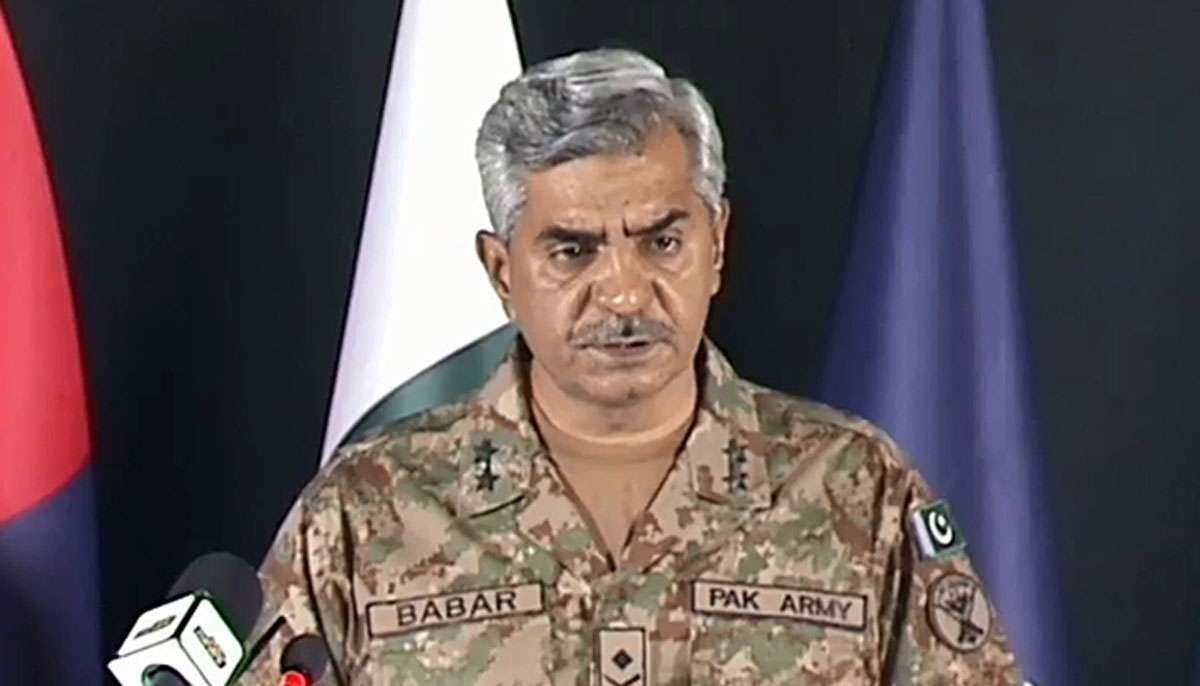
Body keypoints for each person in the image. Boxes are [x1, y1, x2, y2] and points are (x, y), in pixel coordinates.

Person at [235, 48, 1023, 685]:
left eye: (662, 241)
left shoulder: (858, 489)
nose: (622, 292)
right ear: (502, 272)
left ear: (717, 243)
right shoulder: (367, 511)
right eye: (572, 252)